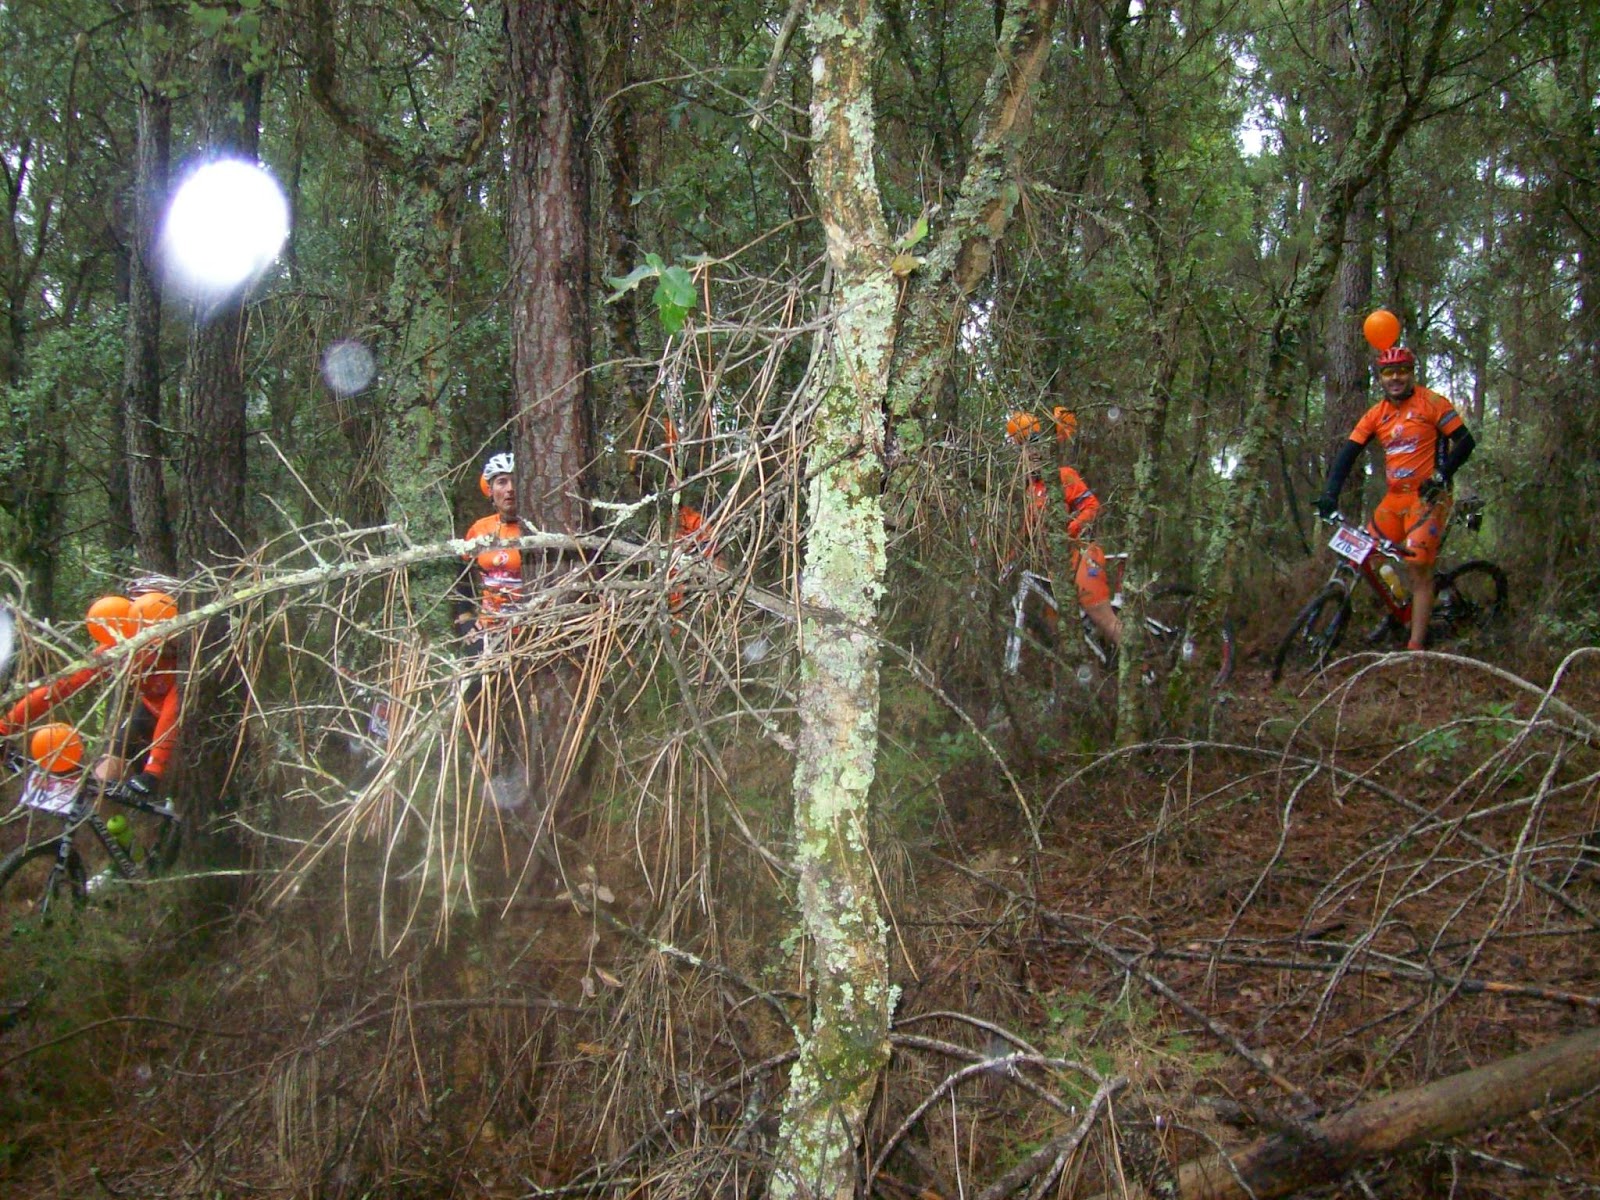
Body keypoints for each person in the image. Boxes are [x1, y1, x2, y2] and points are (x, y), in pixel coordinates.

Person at [1314, 344, 1475, 650]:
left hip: (1428, 499)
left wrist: (1441, 475)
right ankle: (1401, 606)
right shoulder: (1377, 414)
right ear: (1381, 378)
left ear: (1412, 373)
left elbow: (1466, 442)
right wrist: (1329, 494)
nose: (1396, 378)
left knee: (1419, 567)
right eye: (1389, 373)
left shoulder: (1432, 402)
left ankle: (1415, 647)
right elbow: (1348, 454)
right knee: (1365, 555)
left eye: (1402, 371)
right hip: (1395, 498)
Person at [0, 590, 182, 795]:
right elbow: (61, 687)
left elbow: (173, 712)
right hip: (149, 712)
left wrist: (153, 772)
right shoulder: (120, 648)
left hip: (184, 719)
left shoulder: (186, 662)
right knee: (104, 775)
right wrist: (5, 728)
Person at [1013, 408, 1121, 648]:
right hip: (1057, 565)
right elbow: (1026, 531)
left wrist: (1070, 530)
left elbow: (1092, 506)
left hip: (1083, 555)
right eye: (1026, 449)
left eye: (1036, 447)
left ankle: (1140, 663)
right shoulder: (1030, 490)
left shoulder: (1064, 476)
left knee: (1102, 618)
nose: (1032, 453)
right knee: (1057, 626)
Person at [453, 451, 527, 657]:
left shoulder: (537, 527)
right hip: (487, 627)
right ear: (490, 490)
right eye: (502, 482)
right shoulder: (480, 528)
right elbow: (463, 570)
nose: (510, 489)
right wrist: (465, 615)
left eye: (515, 481)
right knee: (478, 674)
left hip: (530, 626)